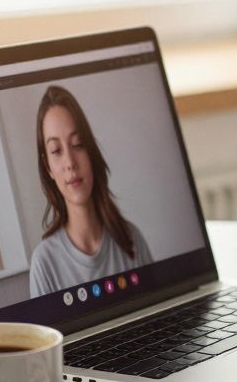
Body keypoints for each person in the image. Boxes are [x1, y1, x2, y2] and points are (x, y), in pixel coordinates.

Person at [29, 85, 153, 297]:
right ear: (48, 166)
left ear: (91, 152)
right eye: (56, 151)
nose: (70, 162)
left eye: (77, 144)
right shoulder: (44, 263)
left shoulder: (132, 240)